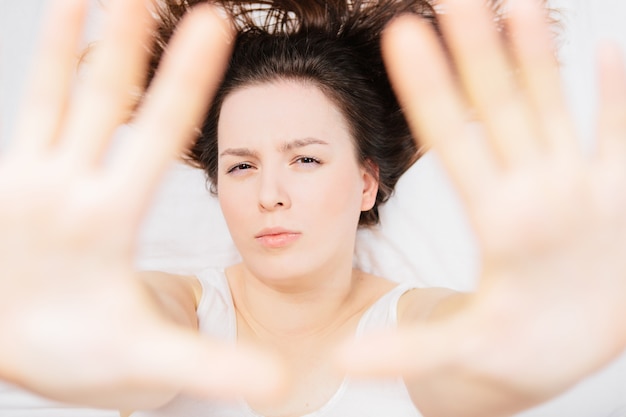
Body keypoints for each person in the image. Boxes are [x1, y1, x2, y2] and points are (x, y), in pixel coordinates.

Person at [0, 0, 625, 416]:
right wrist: (53, 333)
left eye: (305, 159)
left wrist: (531, 345)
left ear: (365, 184)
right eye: (241, 166)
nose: (269, 192)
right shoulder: (180, 309)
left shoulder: (415, 324)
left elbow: (473, 354)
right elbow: (131, 339)